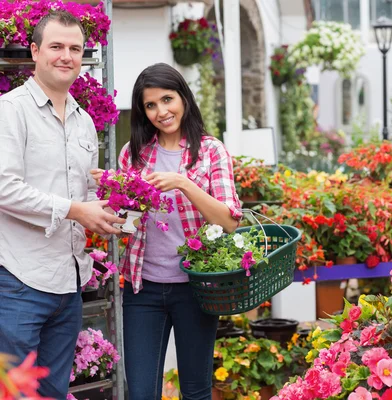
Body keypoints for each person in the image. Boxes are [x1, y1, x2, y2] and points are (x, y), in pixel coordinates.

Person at [92, 63, 241, 400]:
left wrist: (183, 183)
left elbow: (229, 221)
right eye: (150, 105)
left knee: (195, 390)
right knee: (141, 392)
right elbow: (126, 225)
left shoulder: (209, 151)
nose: (161, 111)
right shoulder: (134, 154)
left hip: (196, 288)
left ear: (183, 98)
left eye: (167, 99)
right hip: (143, 289)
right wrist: (111, 194)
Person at [0, 11, 125, 399]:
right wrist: (76, 210)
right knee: (15, 394)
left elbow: (81, 195)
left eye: (75, 48)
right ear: (35, 51)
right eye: (56, 47)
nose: (66, 56)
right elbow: (4, 187)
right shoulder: (10, 110)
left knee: (53, 393)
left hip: (68, 282)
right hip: (19, 279)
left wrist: (107, 213)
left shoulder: (85, 121)